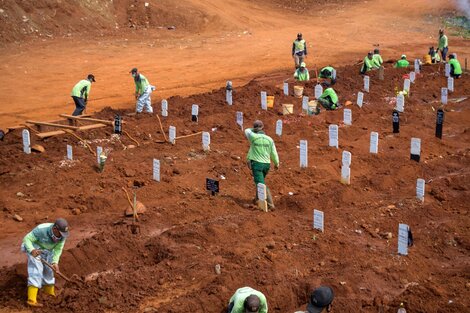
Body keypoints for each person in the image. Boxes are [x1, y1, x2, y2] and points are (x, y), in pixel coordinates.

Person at [21, 218, 70, 307]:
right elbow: (27, 239)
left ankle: (49, 294)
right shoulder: (41, 229)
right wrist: (32, 250)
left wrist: (55, 262)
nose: (62, 236)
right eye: (60, 233)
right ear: (55, 229)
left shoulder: (62, 236)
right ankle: (31, 299)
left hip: (48, 250)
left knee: (49, 271)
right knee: (37, 270)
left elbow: (58, 250)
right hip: (34, 247)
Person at [245, 120, 279, 209]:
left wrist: (254, 129)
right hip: (266, 165)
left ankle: (271, 205)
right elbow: (274, 153)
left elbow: (247, 130)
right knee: (260, 181)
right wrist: (276, 163)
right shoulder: (270, 139)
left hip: (257, 164)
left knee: (261, 183)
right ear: (263, 127)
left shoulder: (253, 136)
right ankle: (257, 199)